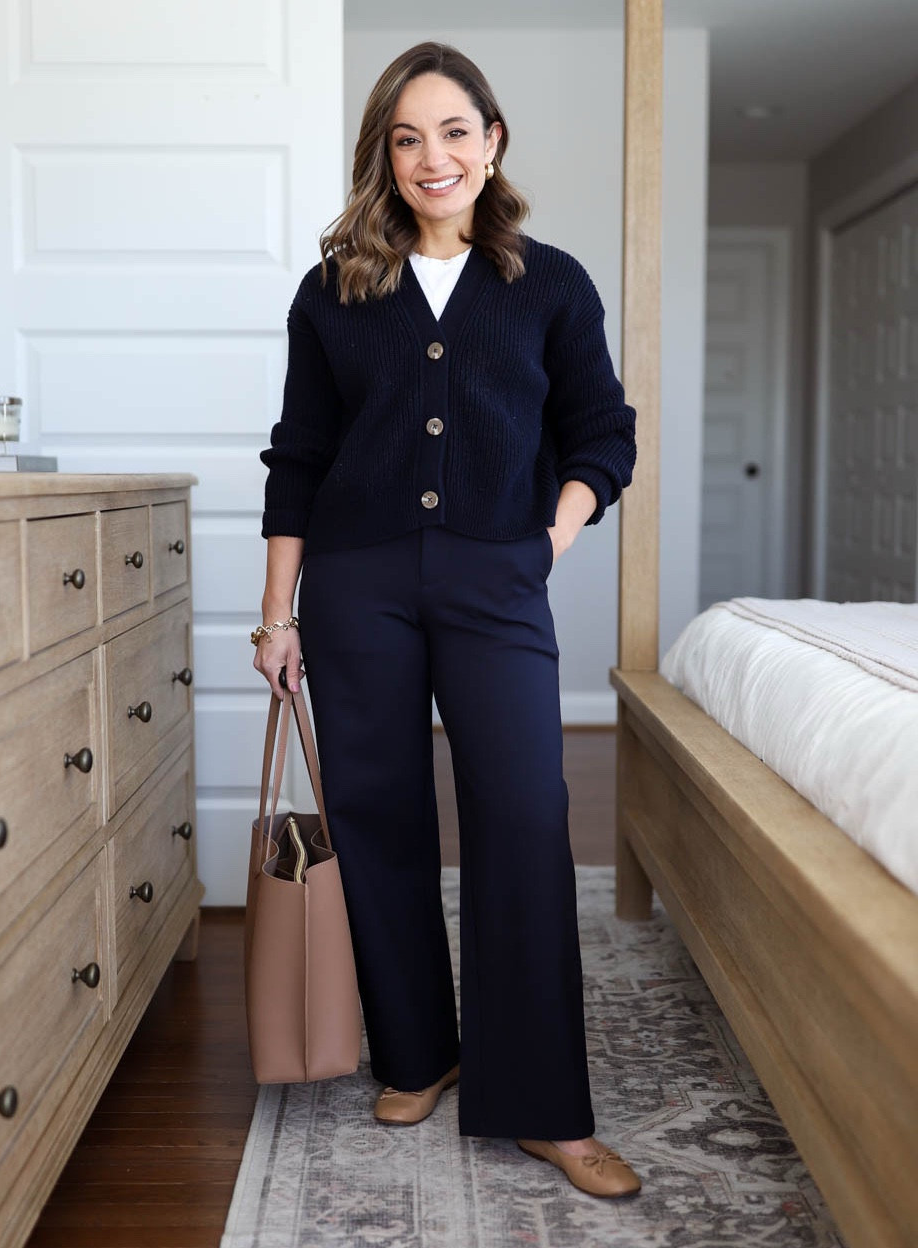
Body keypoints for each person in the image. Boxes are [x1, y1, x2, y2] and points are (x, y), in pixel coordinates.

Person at [253, 41, 640, 1198]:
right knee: (376, 818)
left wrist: (548, 540)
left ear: (493, 141)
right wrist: (278, 617)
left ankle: (543, 1106)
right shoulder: (333, 293)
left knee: (523, 816)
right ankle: (420, 1052)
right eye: (409, 137)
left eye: (455, 133)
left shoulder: (550, 283)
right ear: (386, 150)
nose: (434, 157)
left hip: (495, 580)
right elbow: (299, 460)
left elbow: (601, 432)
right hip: (358, 583)